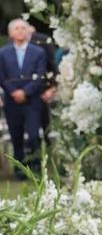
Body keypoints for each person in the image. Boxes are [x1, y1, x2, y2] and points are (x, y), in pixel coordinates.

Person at [0, 18, 48, 178]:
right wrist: (14, 92)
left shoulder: (38, 52)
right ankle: (20, 170)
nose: (20, 31)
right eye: (17, 28)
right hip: (11, 101)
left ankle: (36, 167)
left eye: (23, 28)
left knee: (34, 135)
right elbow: (2, 77)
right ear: (10, 33)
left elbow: (40, 76)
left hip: (32, 101)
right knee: (16, 136)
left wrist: (25, 92)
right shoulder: (3, 53)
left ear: (28, 32)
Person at [28, 23, 58, 142]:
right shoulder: (12, 45)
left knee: (46, 126)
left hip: (44, 88)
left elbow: (52, 65)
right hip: (23, 91)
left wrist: (53, 86)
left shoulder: (43, 41)